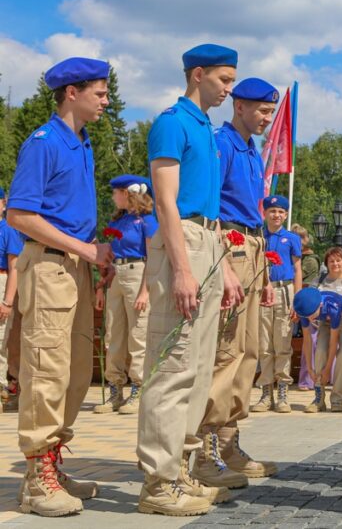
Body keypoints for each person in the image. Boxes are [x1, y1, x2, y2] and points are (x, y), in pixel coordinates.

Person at [136, 43, 242, 515]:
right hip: (184, 242)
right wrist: (181, 269)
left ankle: (179, 466)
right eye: (224, 80)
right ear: (197, 74)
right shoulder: (172, 122)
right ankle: (157, 484)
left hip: (210, 242)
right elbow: (166, 203)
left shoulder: (205, 129)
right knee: (173, 364)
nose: (228, 90)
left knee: (198, 367)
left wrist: (222, 261)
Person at [8, 57, 114, 516]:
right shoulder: (44, 142)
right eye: (101, 92)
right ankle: (36, 480)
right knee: (46, 371)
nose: (107, 100)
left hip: (73, 267)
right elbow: (19, 215)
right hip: (49, 267)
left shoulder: (81, 142)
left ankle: (51, 463)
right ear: (72, 92)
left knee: (74, 374)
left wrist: (90, 254)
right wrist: (86, 250)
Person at [192, 77, 279, 491]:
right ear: (239, 106)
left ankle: (229, 442)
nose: (267, 118)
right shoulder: (222, 144)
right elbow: (212, 205)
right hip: (231, 244)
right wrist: (224, 261)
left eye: (270, 111)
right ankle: (205, 448)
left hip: (253, 244)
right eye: (261, 110)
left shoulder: (252, 149)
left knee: (248, 350)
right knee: (224, 351)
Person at [94, 175, 158, 415]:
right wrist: (102, 285)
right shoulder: (120, 221)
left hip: (137, 273)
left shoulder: (147, 221)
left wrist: (144, 291)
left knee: (138, 334)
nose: (113, 197)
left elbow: (152, 257)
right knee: (114, 334)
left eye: (116, 192)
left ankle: (139, 388)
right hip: (117, 275)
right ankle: (115, 388)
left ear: (129, 193)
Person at [253, 195, 302, 414]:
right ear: (265, 213)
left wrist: (297, 299)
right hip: (264, 291)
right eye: (273, 211)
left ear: (285, 214)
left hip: (285, 290)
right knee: (264, 344)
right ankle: (265, 391)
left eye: (281, 212)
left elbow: (298, 268)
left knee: (283, 341)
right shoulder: (258, 237)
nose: (277, 215)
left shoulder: (291, 238)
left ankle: (282, 391)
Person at [304, 246, 342, 413]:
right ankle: (319, 397)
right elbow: (310, 299)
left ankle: (337, 398)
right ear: (326, 263)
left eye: (338, 260)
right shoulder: (320, 279)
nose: (335, 263)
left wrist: (338, 311)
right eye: (331, 261)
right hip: (324, 324)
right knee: (320, 351)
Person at [0, 187, 25, 407]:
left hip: (2, 280)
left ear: (3, 204)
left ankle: (2, 387)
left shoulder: (7, 229)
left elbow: (14, 266)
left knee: (1, 340)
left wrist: (7, 301)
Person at [293, 225, 320, 391]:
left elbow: (301, 277)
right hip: (298, 299)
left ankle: (309, 378)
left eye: (301, 238)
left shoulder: (310, 260)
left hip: (307, 302)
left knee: (310, 341)